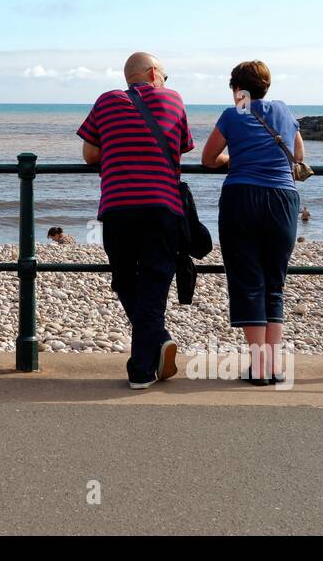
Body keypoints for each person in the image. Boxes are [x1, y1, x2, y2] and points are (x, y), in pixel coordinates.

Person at [79, 51, 193, 390]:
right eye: (165, 76)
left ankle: (152, 352)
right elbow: (182, 146)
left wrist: (116, 149)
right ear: (155, 72)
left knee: (125, 278)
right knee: (156, 279)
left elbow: (89, 155)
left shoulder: (105, 101)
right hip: (162, 207)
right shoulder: (173, 100)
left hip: (117, 207)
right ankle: (146, 361)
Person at [202, 60, 303, 385]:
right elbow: (297, 156)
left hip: (242, 198)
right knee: (275, 282)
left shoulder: (234, 114)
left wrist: (233, 158)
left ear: (237, 89)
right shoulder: (284, 110)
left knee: (248, 280)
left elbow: (208, 158)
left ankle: (257, 368)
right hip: (282, 199)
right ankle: (273, 367)